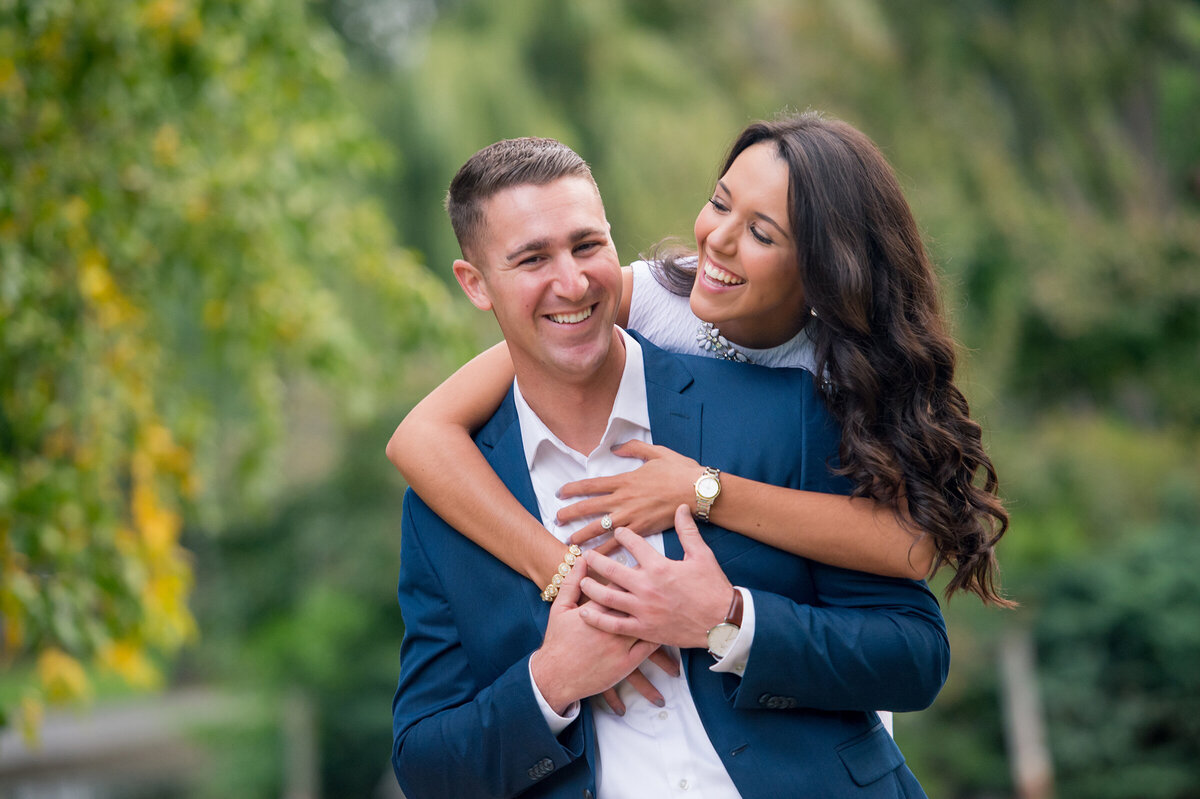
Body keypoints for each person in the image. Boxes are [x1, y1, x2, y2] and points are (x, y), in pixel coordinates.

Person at [390, 135, 949, 798]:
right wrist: (551, 679)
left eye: (586, 245)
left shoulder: (802, 404)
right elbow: (425, 764)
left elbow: (915, 643)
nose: (571, 281)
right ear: (474, 284)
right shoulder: (454, 500)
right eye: (532, 258)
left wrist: (729, 619)